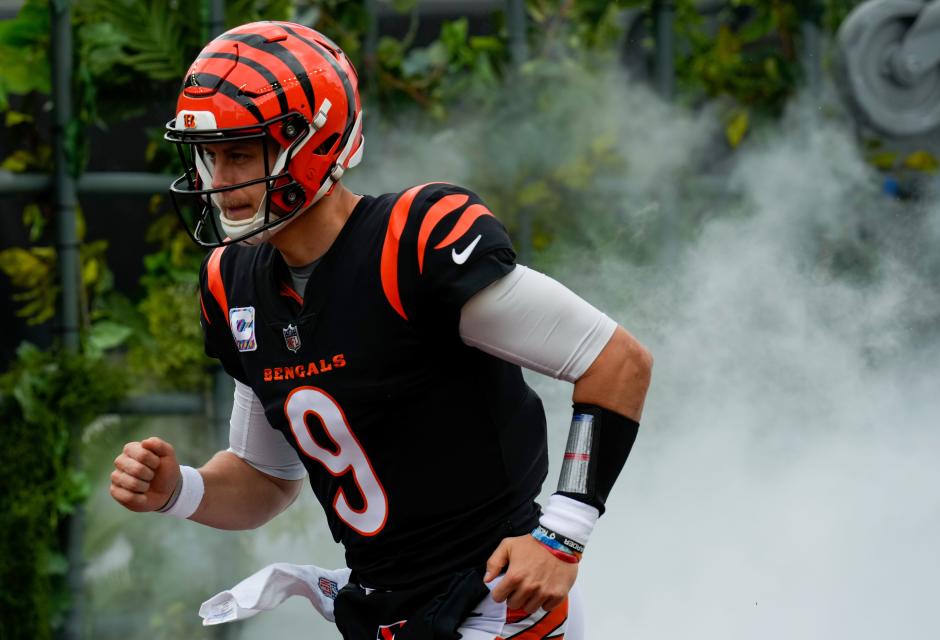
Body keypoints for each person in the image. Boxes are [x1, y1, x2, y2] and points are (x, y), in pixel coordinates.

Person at [110, 20, 652, 640]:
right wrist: (179, 490)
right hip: (385, 612)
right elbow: (264, 479)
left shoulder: (414, 244)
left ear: (311, 141)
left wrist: (561, 537)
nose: (219, 178)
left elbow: (616, 362)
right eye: (210, 154)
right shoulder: (233, 285)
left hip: (494, 604)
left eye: (241, 152)